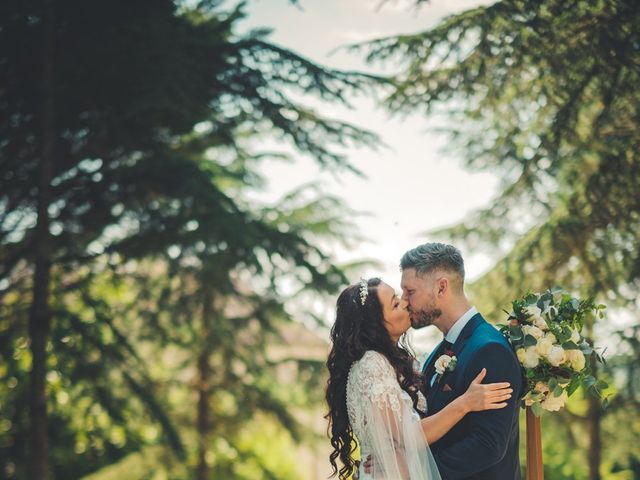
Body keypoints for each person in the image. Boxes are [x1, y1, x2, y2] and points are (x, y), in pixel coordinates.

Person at [326, 277, 513, 480]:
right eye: (396, 304)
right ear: (375, 324)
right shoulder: (372, 364)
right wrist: (466, 403)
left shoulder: (397, 361)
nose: (405, 303)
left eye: (402, 296)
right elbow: (410, 436)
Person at [399, 242, 523, 479]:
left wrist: (415, 471)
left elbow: (488, 445)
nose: (404, 301)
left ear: (441, 287)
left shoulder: (490, 349)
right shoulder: (439, 352)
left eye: (410, 291)